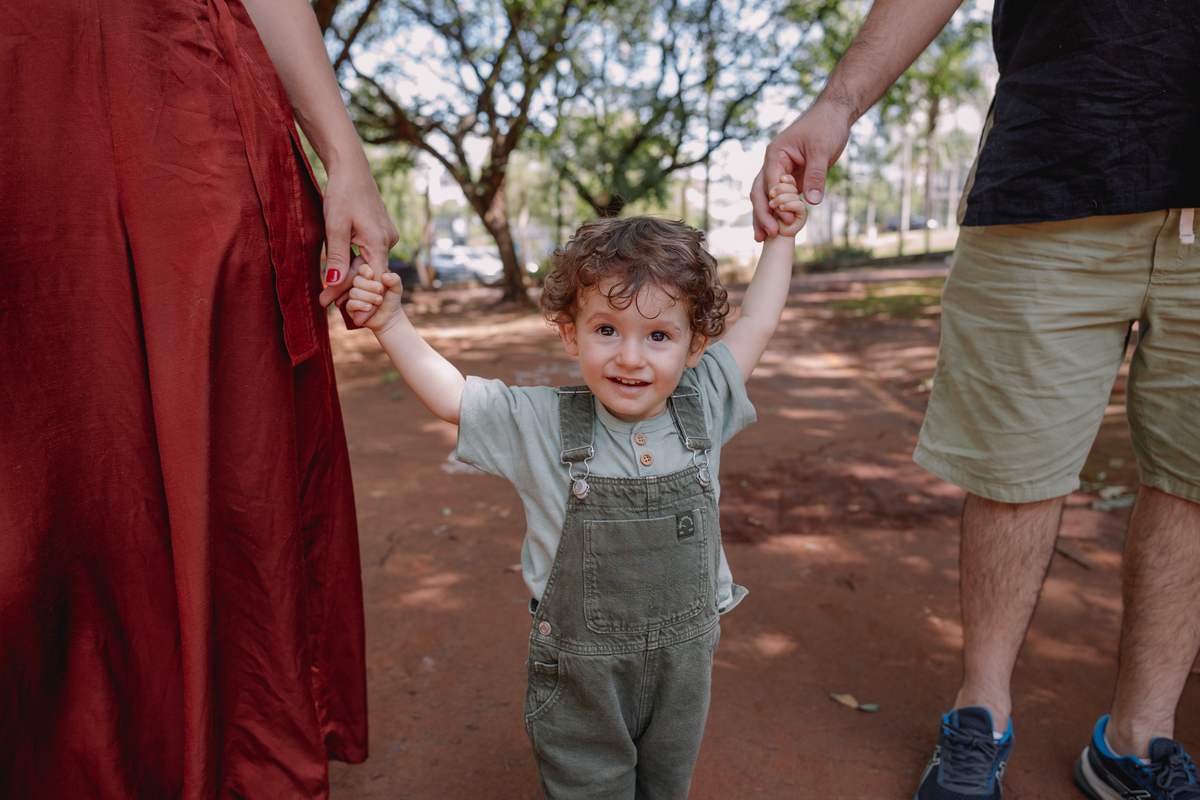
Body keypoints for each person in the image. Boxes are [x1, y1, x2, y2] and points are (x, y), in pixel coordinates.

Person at [751, 0, 1200, 798]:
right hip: (1055, 171)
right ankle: (979, 712)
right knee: (1012, 467)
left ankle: (1137, 742)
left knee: (1196, 481)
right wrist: (837, 102)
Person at [0, 0, 397, 797]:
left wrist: (343, 153)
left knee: (229, 456)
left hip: (184, 85)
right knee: (41, 478)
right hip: (18, 100)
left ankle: (236, 763)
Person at [341, 179, 806, 798]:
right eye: (606, 330)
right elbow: (454, 398)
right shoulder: (542, 422)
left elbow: (760, 321)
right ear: (570, 331)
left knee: (666, 786)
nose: (631, 358)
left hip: (684, 669)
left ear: (696, 344)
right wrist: (391, 320)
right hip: (580, 672)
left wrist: (781, 236)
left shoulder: (707, 397)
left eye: (659, 336)